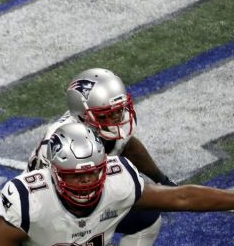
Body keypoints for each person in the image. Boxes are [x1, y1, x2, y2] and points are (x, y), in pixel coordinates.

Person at [0, 122, 234, 246]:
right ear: (55, 173)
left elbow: (182, 198)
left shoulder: (118, 181)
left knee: (148, 217)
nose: (87, 181)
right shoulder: (31, 200)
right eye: (76, 175)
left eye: (93, 171)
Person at [26, 68, 175, 244]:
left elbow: (127, 145)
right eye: (107, 114)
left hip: (91, 194)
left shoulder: (107, 126)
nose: (117, 118)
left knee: (147, 218)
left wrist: (162, 180)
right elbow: (47, 201)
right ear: (82, 115)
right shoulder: (60, 142)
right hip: (56, 208)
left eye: (119, 110)